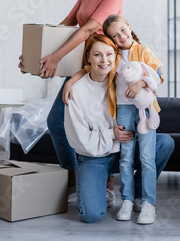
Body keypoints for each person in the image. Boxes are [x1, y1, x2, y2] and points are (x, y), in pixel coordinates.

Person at [18, 0, 123, 202]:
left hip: (101, 67)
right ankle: (74, 175)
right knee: (56, 122)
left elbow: (88, 30)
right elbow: (64, 26)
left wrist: (55, 57)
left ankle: (106, 179)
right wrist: (34, 55)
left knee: (99, 121)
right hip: (79, 65)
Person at [63, 14, 163, 224]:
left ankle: (141, 199)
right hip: (94, 155)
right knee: (90, 215)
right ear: (88, 56)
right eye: (97, 55)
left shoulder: (116, 69)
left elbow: (156, 73)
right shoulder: (77, 91)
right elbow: (89, 69)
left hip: (120, 146)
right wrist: (70, 81)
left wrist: (143, 84)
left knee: (162, 145)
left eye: (108, 54)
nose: (104, 60)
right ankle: (111, 192)